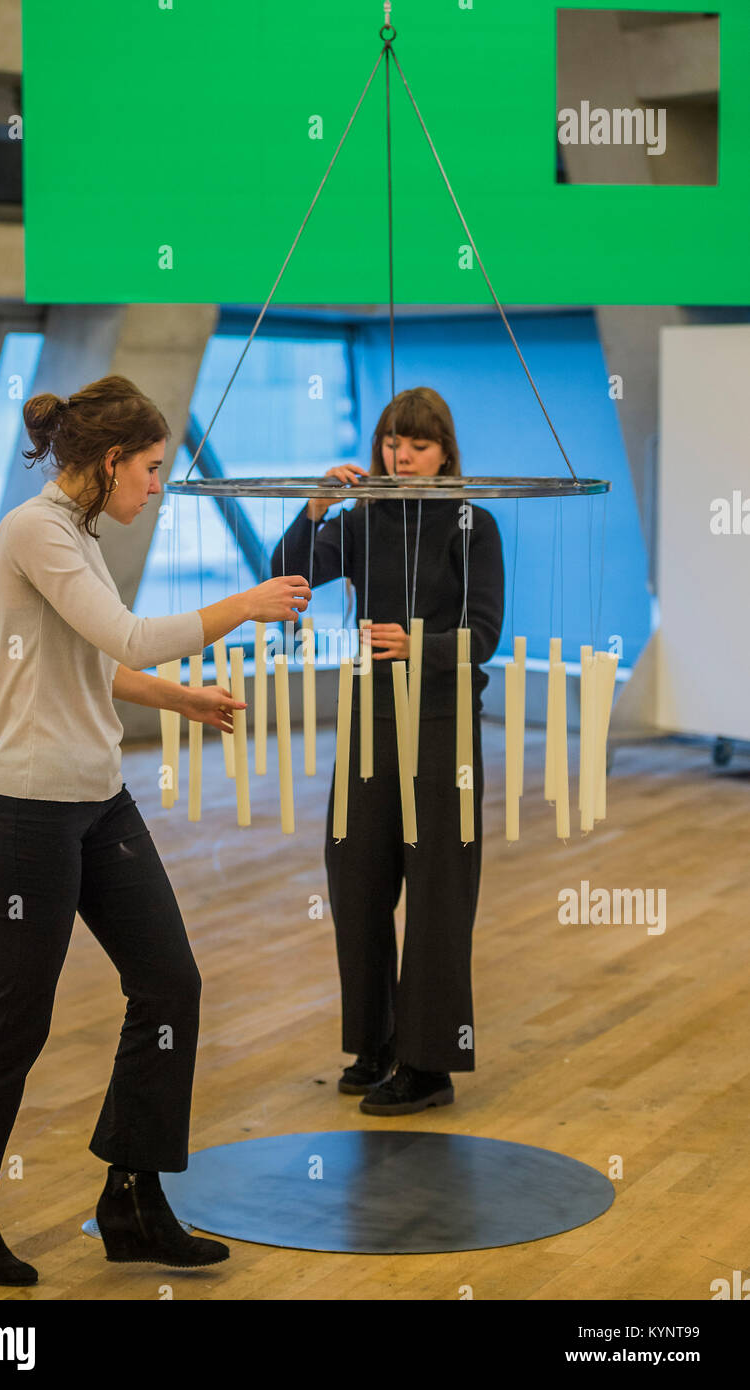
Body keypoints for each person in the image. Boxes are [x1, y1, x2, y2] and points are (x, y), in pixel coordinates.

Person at [0, 374, 312, 1287]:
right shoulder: (36, 531)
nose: (157, 486)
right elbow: (129, 637)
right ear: (109, 463)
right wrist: (244, 605)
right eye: (153, 469)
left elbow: (101, 659)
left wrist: (184, 697)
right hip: (25, 813)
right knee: (17, 1015)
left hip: (99, 804)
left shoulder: (81, 533)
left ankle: (132, 1196)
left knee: (170, 982)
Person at [271, 387, 504, 1115]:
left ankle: (428, 1064)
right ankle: (372, 1042)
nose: (401, 457)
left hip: (441, 724)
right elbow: (285, 576)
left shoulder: (475, 524)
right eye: (391, 444)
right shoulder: (361, 519)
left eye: (418, 446)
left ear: (445, 456)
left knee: (437, 890)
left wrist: (421, 645)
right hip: (370, 719)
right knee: (357, 878)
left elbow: (486, 634)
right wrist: (312, 510)